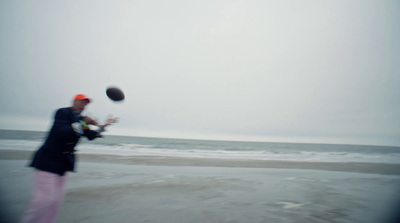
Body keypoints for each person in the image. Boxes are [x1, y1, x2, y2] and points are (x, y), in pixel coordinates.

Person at [20, 94, 118, 223]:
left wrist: (104, 125)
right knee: (44, 200)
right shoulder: (63, 112)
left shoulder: (80, 119)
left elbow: (91, 135)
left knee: (55, 203)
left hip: (63, 165)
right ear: (74, 101)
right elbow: (60, 131)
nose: (84, 104)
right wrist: (83, 122)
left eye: (86, 103)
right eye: (81, 101)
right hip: (47, 162)